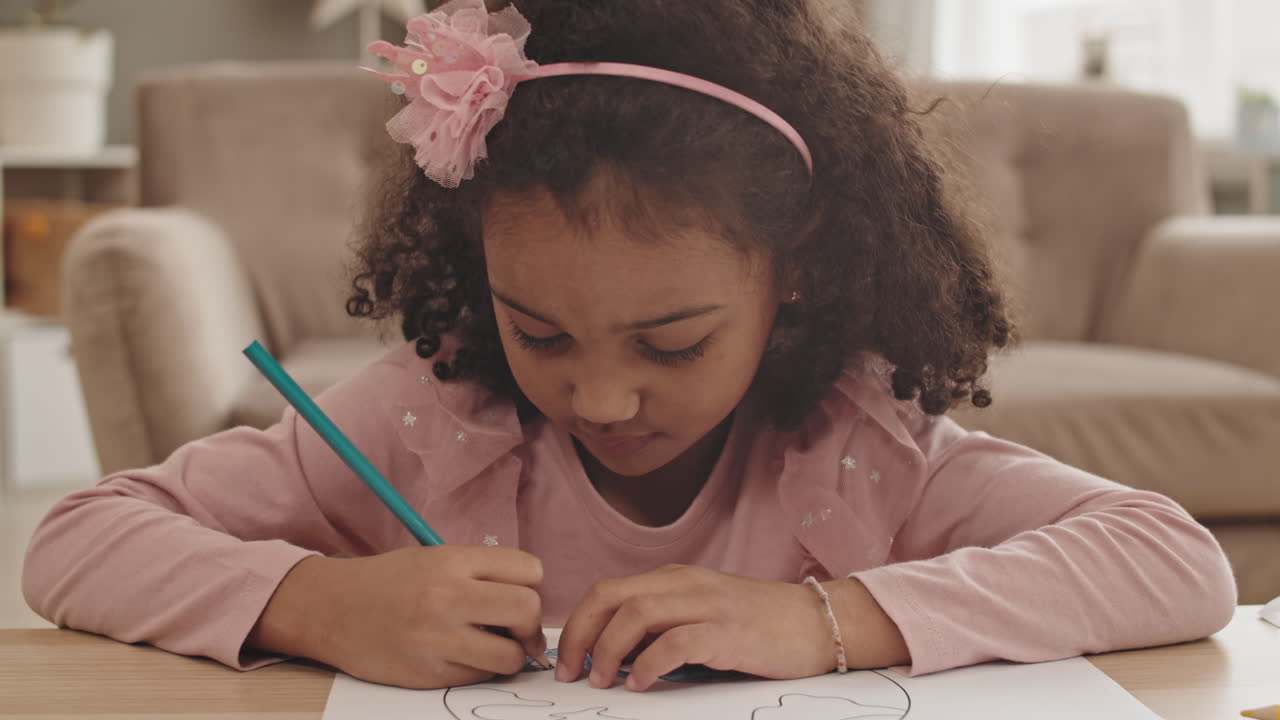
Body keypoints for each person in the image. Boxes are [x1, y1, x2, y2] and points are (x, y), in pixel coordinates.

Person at [23, 0, 1236, 693]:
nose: (598, 393)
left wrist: (818, 623)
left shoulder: (852, 449)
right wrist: (316, 601)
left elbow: (1170, 562)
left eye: (671, 341)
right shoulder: (425, 416)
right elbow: (77, 541)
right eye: (537, 329)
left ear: (794, 269)